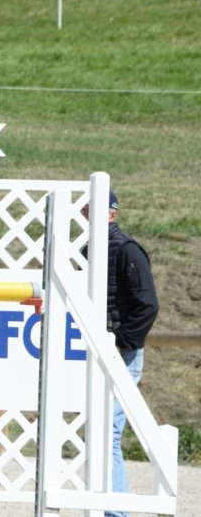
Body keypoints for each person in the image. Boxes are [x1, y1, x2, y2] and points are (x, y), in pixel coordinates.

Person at [85, 191, 160, 517]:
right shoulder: (83, 250)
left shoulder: (128, 251)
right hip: (89, 354)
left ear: (112, 215)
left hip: (122, 354)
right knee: (96, 433)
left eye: (92, 210)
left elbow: (148, 306)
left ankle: (116, 514)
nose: (86, 215)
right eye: (84, 209)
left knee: (107, 434)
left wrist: (119, 341)